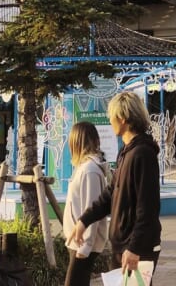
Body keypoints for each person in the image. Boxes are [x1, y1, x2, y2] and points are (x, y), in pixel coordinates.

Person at [69, 91, 161, 278]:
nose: (110, 120)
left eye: (111, 116)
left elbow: (148, 207)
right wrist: (84, 220)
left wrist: (135, 248)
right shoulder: (127, 152)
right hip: (123, 245)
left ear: (123, 119)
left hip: (136, 247)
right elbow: (111, 193)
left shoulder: (142, 154)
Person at [62, 122, 109, 286]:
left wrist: (86, 246)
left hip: (82, 243)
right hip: (78, 240)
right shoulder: (85, 168)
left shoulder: (89, 170)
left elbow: (92, 209)